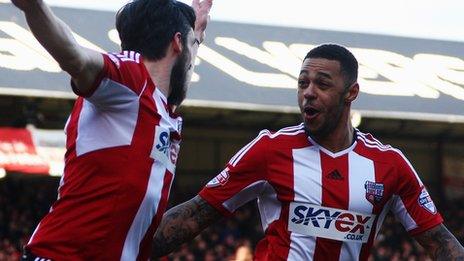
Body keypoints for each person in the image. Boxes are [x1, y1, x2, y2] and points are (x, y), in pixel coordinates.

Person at [152, 44, 464, 260]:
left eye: (322, 84)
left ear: (351, 93)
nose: (308, 93)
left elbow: (439, 242)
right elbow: (195, 215)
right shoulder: (270, 149)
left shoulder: (389, 164)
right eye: (303, 83)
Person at [12, 0, 212, 260]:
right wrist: (34, 7)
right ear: (176, 43)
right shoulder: (130, 79)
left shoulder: (159, 105)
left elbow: (179, 71)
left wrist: (195, 33)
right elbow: (76, 56)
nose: (193, 58)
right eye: (191, 44)